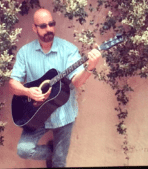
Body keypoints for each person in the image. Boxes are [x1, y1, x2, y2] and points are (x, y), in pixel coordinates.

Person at [9, 8, 101, 168]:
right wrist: (27, 91)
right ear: (34, 28)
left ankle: (57, 155)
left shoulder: (68, 50)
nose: (49, 29)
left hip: (63, 116)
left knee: (59, 163)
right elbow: (12, 83)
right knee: (23, 150)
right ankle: (51, 151)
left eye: (51, 24)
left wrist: (90, 67)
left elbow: (77, 82)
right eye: (43, 26)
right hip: (36, 115)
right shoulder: (25, 52)